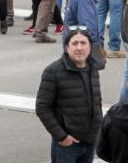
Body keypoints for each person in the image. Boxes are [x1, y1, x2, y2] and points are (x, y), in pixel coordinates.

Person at [35, 29, 103, 163]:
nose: (79, 47)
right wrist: (62, 137)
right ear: (67, 47)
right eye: (75, 43)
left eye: (83, 43)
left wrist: (99, 131)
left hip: (90, 141)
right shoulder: (53, 71)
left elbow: (97, 102)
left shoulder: (93, 68)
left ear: (90, 47)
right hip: (67, 145)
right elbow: (42, 108)